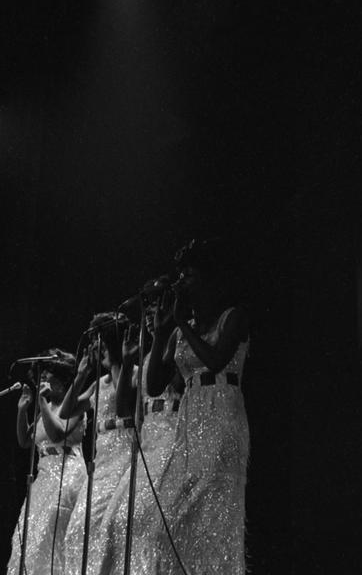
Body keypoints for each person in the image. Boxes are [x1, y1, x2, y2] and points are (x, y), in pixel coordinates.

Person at [146, 238, 250, 574]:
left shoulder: (233, 317)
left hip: (222, 416)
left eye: (188, 276)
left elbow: (217, 360)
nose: (181, 284)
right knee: (169, 524)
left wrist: (180, 326)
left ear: (207, 278)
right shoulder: (183, 328)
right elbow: (154, 385)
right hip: (190, 423)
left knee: (215, 521)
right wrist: (162, 333)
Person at [95, 293, 183, 575]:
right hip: (147, 445)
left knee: (153, 525)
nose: (149, 312)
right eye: (147, 307)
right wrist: (131, 356)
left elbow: (171, 383)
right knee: (116, 521)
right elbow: (123, 409)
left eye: (157, 305)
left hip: (173, 438)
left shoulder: (178, 341)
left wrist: (160, 336)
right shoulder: (144, 358)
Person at [61, 312, 134, 575]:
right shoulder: (97, 384)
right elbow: (66, 412)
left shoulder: (131, 372)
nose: (97, 348)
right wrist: (82, 374)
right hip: (103, 458)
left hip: (125, 452)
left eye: (102, 341)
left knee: (108, 528)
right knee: (77, 529)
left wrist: (116, 360)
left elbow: (125, 402)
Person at [7, 350, 85, 575]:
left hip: (66, 472)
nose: (42, 380)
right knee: (29, 533)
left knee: (50, 532)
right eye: (40, 377)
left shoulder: (76, 404)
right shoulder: (45, 408)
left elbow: (57, 434)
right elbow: (25, 441)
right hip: (44, 476)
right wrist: (23, 410)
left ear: (61, 379)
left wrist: (41, 402)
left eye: (47, 375)